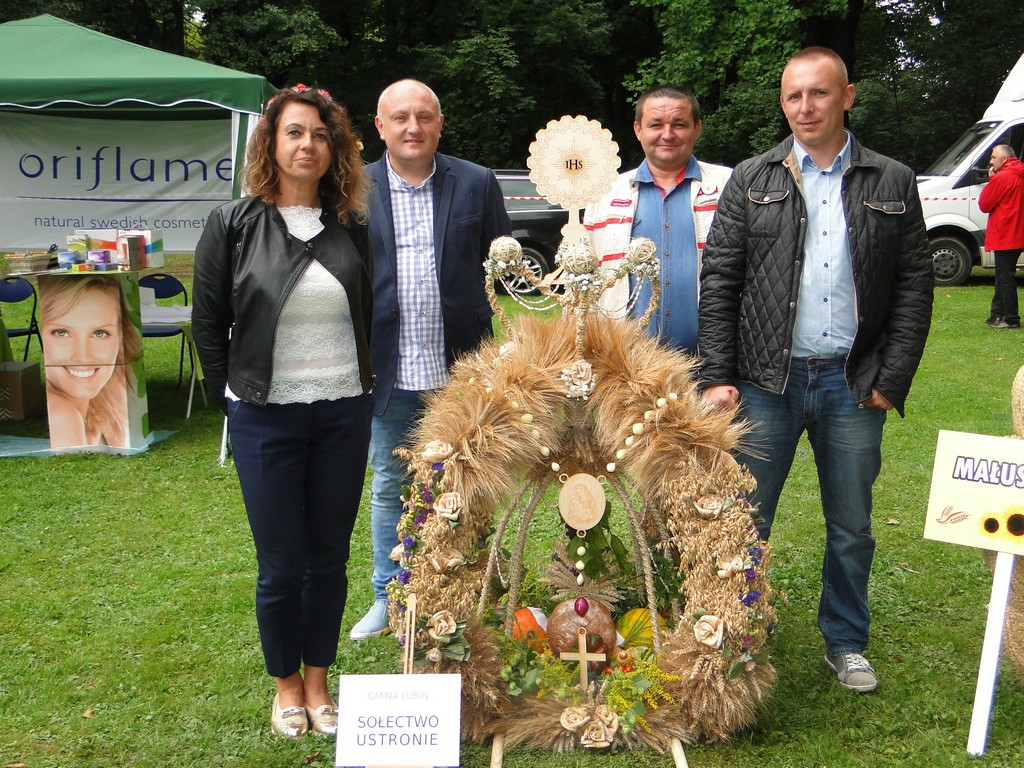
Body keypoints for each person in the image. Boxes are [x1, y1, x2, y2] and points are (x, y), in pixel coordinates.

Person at [698, 47, 933, 694]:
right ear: (783, 102)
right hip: (764, 381)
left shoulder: (891, 180)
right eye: (794, 95)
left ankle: (847, 640)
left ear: (847, 96)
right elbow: (720, 280)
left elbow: (915, 285)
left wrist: (894, 376)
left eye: (819, 93)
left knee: (853, 525)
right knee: (744, 518)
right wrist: (719, 374)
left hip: (852, 383)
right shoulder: (752, 178)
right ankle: (734, 633)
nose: (806, 106)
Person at [191, 84, 374, 739]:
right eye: (294, 132)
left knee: (328, 559)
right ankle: (286, 687)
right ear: (270, 143)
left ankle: (320, 682)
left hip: (342, 416)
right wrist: (233, 398)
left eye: (320, 135)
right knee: (280, 566)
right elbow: (207, 324)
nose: (307, 145)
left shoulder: (351, 227)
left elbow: (368, 313)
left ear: (336, 149)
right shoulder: (233, 223)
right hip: (266, 419)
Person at [348, 79, 511, 640]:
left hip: (460, 372)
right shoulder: (353, 188)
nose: (412, 128)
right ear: (380, 126)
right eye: (400, 118)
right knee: (391, 483)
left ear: (439, 124)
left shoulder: (476, 183)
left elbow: (500, 273)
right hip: (387, 371)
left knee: (467, 484)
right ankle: (387, 597)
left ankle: (463, 594)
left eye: (423, 117)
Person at [585, 85, 731, 352]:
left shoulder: (729, 186)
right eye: (655, 125)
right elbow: (586, 286)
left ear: (697, 128)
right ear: (638, 129)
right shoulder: (603, 194)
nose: (667, 135)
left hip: (712, 366)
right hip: (626, 368)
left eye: (679, 124)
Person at [38, 274, 143, 449]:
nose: (83, 356)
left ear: (121, 339)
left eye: (99, 333)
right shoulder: (62, 415)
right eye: (62, 332)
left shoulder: (107, 402)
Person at [979, 144, 1024, 329]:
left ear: (1004, 159)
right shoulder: (1019, 173)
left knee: (1005, 278)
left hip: (1007, 233)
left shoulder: (1003, 177)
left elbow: (984, 204)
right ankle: (996, 314)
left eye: (993, 157)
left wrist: (992, 180)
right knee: (1002, 275)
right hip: (1019, 231)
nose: (991, 160)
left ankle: (1011, 319)